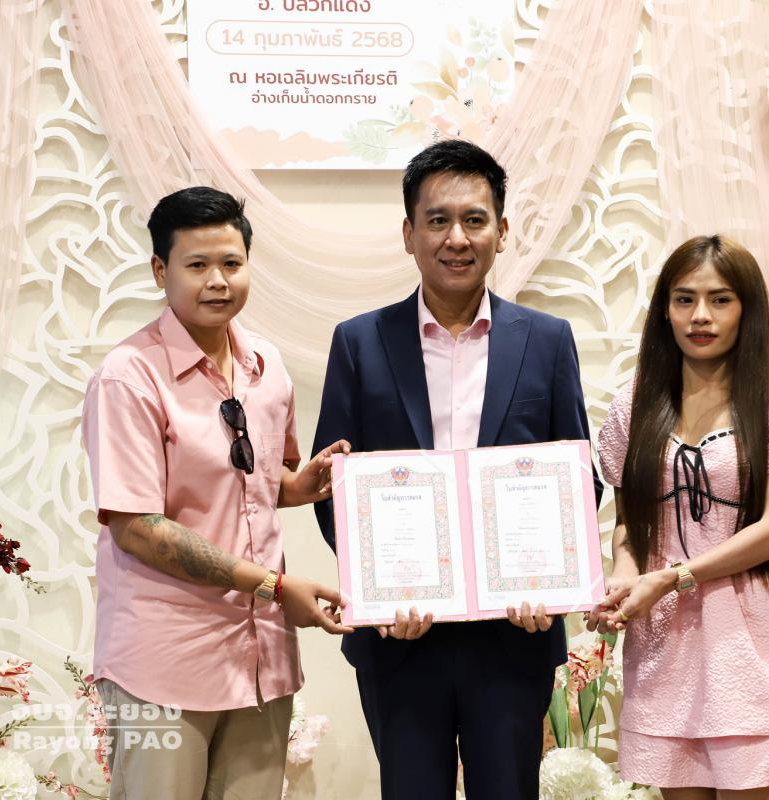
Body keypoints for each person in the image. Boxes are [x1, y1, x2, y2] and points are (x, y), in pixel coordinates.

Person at [312, 139, 598, 800]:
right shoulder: (359, 342)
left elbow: (577, 478)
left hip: (514, 634)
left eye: (474, 220)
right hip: (400, 637)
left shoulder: (547, 339)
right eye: (437, 220)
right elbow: (333, 487)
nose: (456, 239)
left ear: (503, 230)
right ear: (408, 233)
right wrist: (378, 590)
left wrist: (550, 585)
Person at [81, 186, 354, 799]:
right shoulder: (129, 377)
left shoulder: (267, 366)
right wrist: (274, 586)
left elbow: (254, 484)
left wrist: (302, 485)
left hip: (262, 658)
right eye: (197, 265)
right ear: (161, 270)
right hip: (165, 661)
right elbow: (137, 528)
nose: (217, 281)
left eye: (231, 263)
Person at [589, 235, 769, 797]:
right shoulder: (635, 401)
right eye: (684, 299)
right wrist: (624, 573)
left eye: (720, 299)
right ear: (665, 309)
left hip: (753, 632)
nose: (700, 316)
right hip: (665, 638)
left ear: (745, 309)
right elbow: (631, 522)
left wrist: (672, 577)